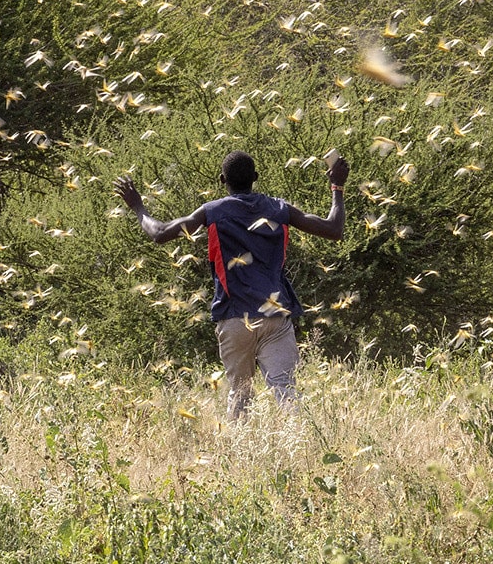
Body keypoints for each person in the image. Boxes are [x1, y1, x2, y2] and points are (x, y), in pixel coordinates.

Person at [114, 150, 349, 417]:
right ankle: (300, 450)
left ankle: (239, 455)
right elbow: (334, 230)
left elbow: (159, 233)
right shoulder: (280, 209)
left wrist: (137, 206)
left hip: (235, 318)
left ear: (222, 179)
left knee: (240, 394)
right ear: (256, 178)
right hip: (274, 315)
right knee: (286, 391)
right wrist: (337, 186)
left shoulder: (212, 212)